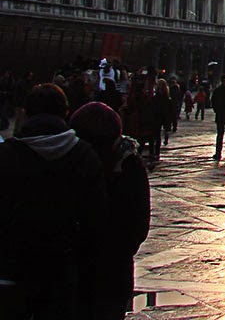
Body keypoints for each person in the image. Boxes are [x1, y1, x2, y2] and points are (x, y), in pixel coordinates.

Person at [0, 83, 108, 320]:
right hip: (63, 268)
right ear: (66, 113)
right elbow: (96, 221)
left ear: (27, 113)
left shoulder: (6, 155)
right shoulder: (85, 156)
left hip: (11, 267)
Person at [69, 101, 151, 320]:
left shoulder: (72, 162)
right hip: (116, 271)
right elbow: (139, 223)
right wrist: (122, 252)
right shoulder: (131, 165)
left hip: (73, 271)